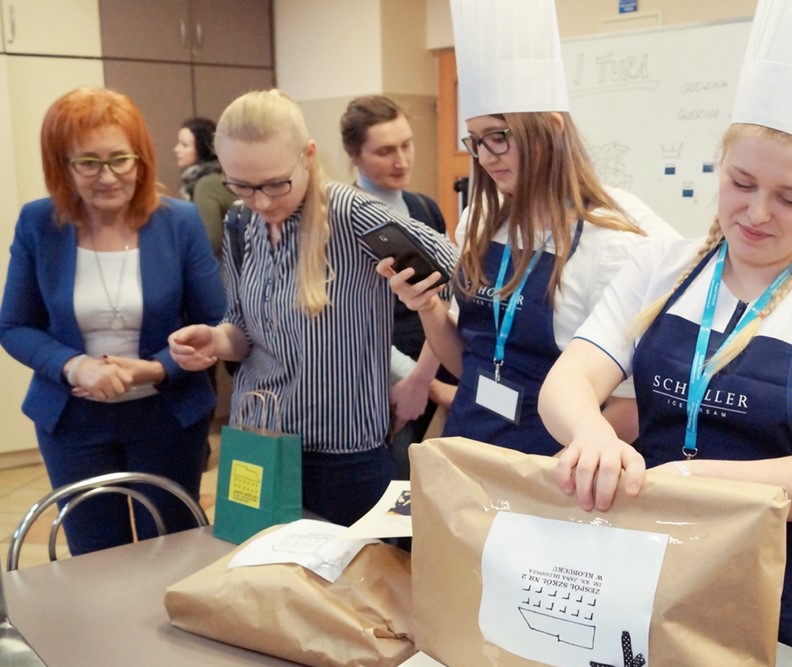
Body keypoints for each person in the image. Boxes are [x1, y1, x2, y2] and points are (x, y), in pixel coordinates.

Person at [537, 0, 792, 650]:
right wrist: (592, 434)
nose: (757, 213)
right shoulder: (660, 266)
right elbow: (568, 381)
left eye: (790, 197)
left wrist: (688, 481)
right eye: (741, 182)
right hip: (652, 557)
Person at [376, 0, 677, 457]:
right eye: (476, 141)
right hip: (467, 450)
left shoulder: (612, 245)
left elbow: (630, 408)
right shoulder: (480, 221)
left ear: (551, 129)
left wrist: (543, 481)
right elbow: (470, 361)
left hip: (550, 469)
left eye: (498, 137)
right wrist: (428, 308)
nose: (484, 157)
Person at [168, 89, 457, 527]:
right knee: (259, 563)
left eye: (275, 184)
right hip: (259, 441)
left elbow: (459, 273)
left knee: (357, 570)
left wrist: (422, 369)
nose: (261, 202)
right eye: (241, 186)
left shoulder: (353, 214)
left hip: (343, 456)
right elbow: (242, 331)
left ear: (307, 155)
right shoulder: (240, 221)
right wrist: (213, 340)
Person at [0, 87, 227, 556]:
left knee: (171, 549)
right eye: (88, 163)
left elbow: (214, 322)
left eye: (120, 159)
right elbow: (14, 326)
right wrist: (75, 366)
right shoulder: (38, 223)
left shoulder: (179, 222)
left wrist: (157, 368)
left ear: (141, 159)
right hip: (73, 422)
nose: (108, 177)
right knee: (95, 556)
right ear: (61, 165)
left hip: (167, 417)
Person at [340, 94, 457, 479]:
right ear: (354, 154)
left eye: (407, 145)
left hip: (434, 362)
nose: (401, 161)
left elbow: (448, 295)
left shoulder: (424, 208)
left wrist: (428, 379)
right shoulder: (342, 221)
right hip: (383, 382)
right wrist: (418, 383)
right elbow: (351, 323)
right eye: (385, 151)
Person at [175, 116, 237, 257]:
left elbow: (209, 241)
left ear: (201, 148)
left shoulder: (206, 184)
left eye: (184, 145)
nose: (176, 149)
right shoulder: (220, 174)